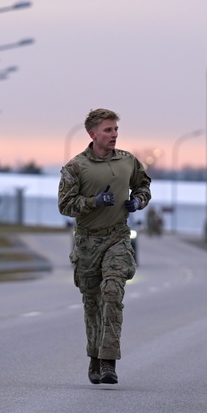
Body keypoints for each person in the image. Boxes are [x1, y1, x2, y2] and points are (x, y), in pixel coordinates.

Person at [58, 108, 152, 386]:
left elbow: (144, 186)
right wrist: (93, 202)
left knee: (112, 292)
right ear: (92, 134)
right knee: (92, 303)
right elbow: (64, 205)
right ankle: (95, 357)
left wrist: (137, 202)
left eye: (116, 130)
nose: (114, 135)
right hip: (88, 242)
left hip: (118, 237)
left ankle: (109, 361)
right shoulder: (76, 167)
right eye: (108, 130)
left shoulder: (127, 161)